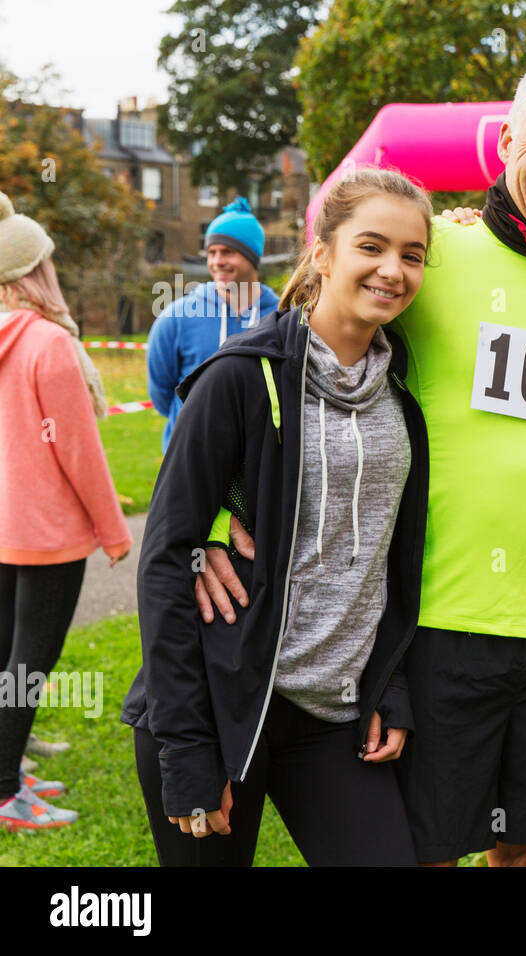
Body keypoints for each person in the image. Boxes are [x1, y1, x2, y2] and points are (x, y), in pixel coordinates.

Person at [198, 59, 526, 868]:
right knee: (430, 848)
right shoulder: (430, 256)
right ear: (506, 141)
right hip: (432, 619)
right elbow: (287, 354)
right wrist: (219, 513)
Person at [121, 168, 433, 866]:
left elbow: (392, 564)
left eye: (412, 255)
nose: (393, 270)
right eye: (372, 247)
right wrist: (187, 748)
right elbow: (168, 557)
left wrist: (391, 685)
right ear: (321, 253)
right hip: (222, 707)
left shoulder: (403, 397)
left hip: (334, 717)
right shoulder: (239, 377)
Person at [0, 191, 132, 830]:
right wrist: (113, 531)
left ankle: (6, 773)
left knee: (7, 659)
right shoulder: (50, 345)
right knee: (28, 666)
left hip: (5, 527)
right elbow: (79, 453)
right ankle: (5, 793)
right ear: (33, 271)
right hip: (48, 533)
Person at [147, 196, 282, 450]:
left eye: (228, 252)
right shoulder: (177, 318)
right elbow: (161, 394)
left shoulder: (282, 317)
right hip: (189, 461)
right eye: (211, 252)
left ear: (252, 257)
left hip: (259, 463)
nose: (217, 261)